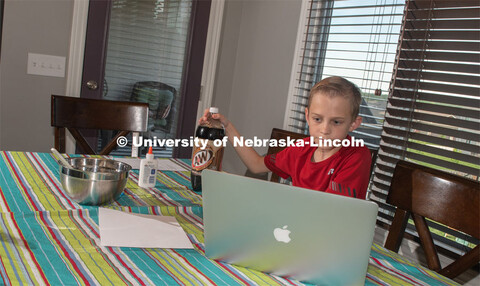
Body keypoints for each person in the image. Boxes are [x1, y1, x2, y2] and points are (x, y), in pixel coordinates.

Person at [198, 76, 372, 199]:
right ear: (307, 115)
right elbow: (256, 165)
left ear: (353, 124)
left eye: (336, 122)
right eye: (317, 119)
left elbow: (329, 214)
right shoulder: (301, 149)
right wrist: (227, 127)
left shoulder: (356, 156)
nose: (324, 129)